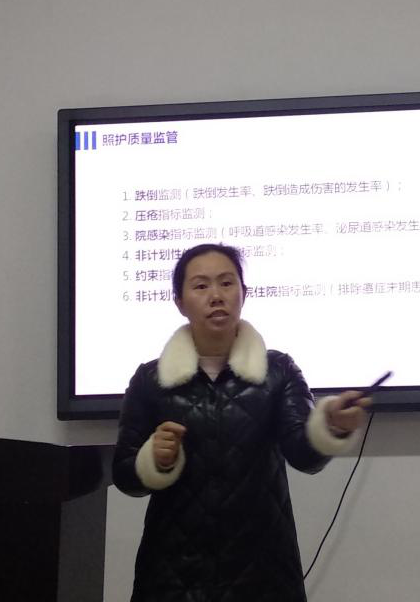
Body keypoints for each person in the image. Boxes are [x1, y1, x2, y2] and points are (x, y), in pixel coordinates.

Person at [112, 243, 371, 602]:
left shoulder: (277, 372)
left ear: (243, 294)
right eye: (201, 286)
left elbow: (304, 455)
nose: (216, 296)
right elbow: (125, 476)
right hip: (173, 572)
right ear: (179, 302)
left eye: (226, 283)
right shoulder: (151, 380)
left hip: (263, 570)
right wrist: (154, 460)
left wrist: (332, 425)